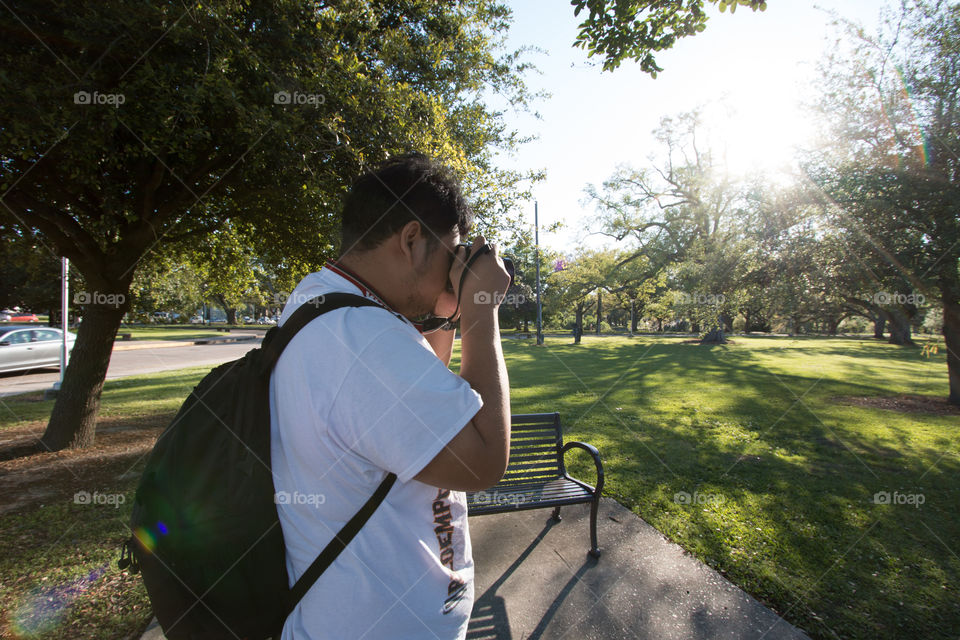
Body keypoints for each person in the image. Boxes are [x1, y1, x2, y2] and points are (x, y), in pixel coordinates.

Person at [269, 153, 512, 639]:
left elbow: (424, 406)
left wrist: (447, 309)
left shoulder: (325, 302)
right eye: (451, 255)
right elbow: (482, 462)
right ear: (411, 239)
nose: (455, 271)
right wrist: (482, 311)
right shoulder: (362, 337)